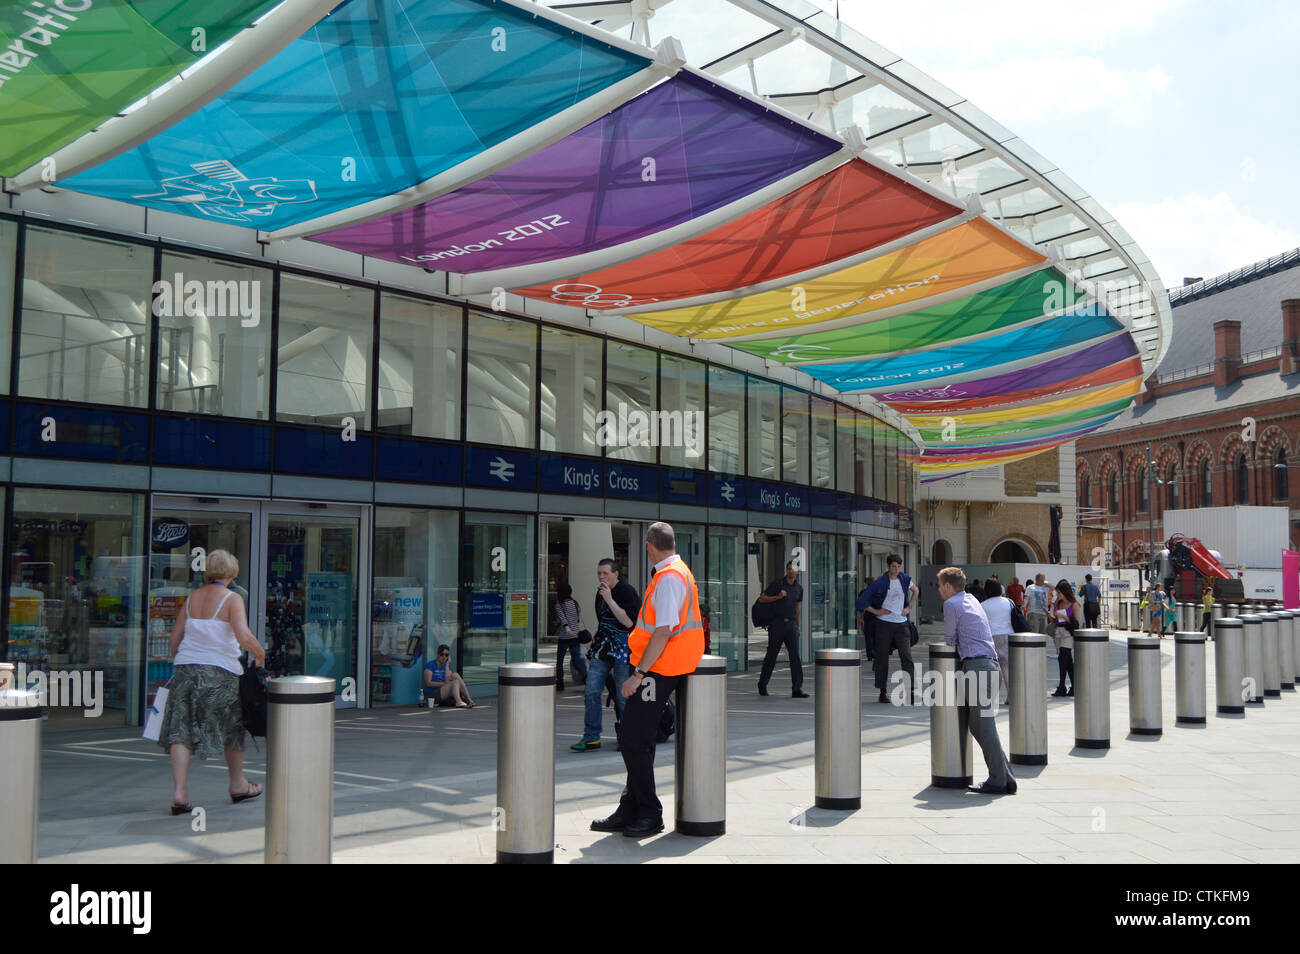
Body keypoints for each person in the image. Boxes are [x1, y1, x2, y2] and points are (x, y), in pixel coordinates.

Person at [590, 522, 705, 838]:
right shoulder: (679, 571)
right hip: (665, 665)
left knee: (631, 739)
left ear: (649, 546)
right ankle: (630, 809)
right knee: (640, 740)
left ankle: (650, 812)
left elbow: (664, 629)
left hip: (660, 668)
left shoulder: (668, 578)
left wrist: (638, 675)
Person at [159, 549, 266, 815]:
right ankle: (238, 784)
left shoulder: (193, 598)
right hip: (220, 672)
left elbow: (175, 639)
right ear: (233, 571)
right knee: (232, 727)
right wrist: (260, 654)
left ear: (208, 571)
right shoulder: (233, 599)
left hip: (185, 670)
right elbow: (243, 636)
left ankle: (180, 793)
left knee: (180, 731)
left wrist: (182, 662)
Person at [937, 566, 1017, 795]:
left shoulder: (951, 604)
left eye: (941, 586)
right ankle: (1006, 777)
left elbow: (950, 638)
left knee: (983, 725)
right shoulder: (971, 598)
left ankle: (999, 780)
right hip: (990, 666)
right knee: (981, 724)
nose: (940, 590)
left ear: (949, 586)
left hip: (976, 667)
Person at [572, 558, 640, 752]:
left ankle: (628, 736)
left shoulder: (626, 592)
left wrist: (610, 599)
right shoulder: (600, 592)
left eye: (605, 573)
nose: (602, 577)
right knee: (592, 690)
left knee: (622, 694)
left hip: (623, 648)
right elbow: (601, 619)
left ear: (616, 574)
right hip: (603, 646)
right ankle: (592, 736)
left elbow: (629, 623)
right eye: (599, 573)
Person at [862, 554, 918, 704]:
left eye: (899, 566)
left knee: (906, 657)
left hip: (902, 624)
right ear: (887, 566)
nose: (896, 569)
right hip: (883, 624)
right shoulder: (880, 582)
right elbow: (862, 601)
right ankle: (882, 691)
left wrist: (909, 607)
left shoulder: (905, 579)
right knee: (882, 658)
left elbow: (916, 591)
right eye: (893, 566)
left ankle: (910, 690)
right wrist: (876, 612)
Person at [756, 561, 806, 697]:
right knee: (772, 655)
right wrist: (777, 597)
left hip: (791, 625)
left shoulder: (799, 588)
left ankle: (797, 689)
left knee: (795, 656)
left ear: (797, 572)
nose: (790, 571)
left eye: (793, 570)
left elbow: (797, 608)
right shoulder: (777, 584)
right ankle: (762, 685)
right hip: (777, 624)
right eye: (788, 569)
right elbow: (762, 599)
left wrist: (797, 625)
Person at [981, 580, 1015, 695]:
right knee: (1007, 666)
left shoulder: (983, 605)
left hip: (992, 636)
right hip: (1010, 635)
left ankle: (991, 695)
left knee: (995, 667)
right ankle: (1012, 694)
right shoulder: (1009, 602)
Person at [552, 581, 588, 690]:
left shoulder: (559, 605)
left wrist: (568, 630)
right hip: (575, 636)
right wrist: (573, 631)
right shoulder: (575, 603)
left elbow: (563, 619)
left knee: (560, 661)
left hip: (564, 636)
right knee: (577, 661)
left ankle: (560, 683)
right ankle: (588, 679)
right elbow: (576, 620)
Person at [1051, 580, 1081, 696]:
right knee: (1067, 661)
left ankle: (1062, 686)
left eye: (1059, 593)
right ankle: (1074, 686)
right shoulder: (1059, 603)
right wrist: (1053, 615)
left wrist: (1064, 616)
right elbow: (1056, 617)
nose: (1057, 595)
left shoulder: (1074, 605)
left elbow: (1076, 622)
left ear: (1064, 592)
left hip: (1068, 634)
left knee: (1063, 658)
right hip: (1059, 632)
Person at [855, 575, 876, 662]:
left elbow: (861, 606)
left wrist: (861, 618)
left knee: (868, 636)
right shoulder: (876, 592)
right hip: (876, 616)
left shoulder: (863, 592)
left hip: (866, 616)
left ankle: (869, 655)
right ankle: (875, 651)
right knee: (875, 636)